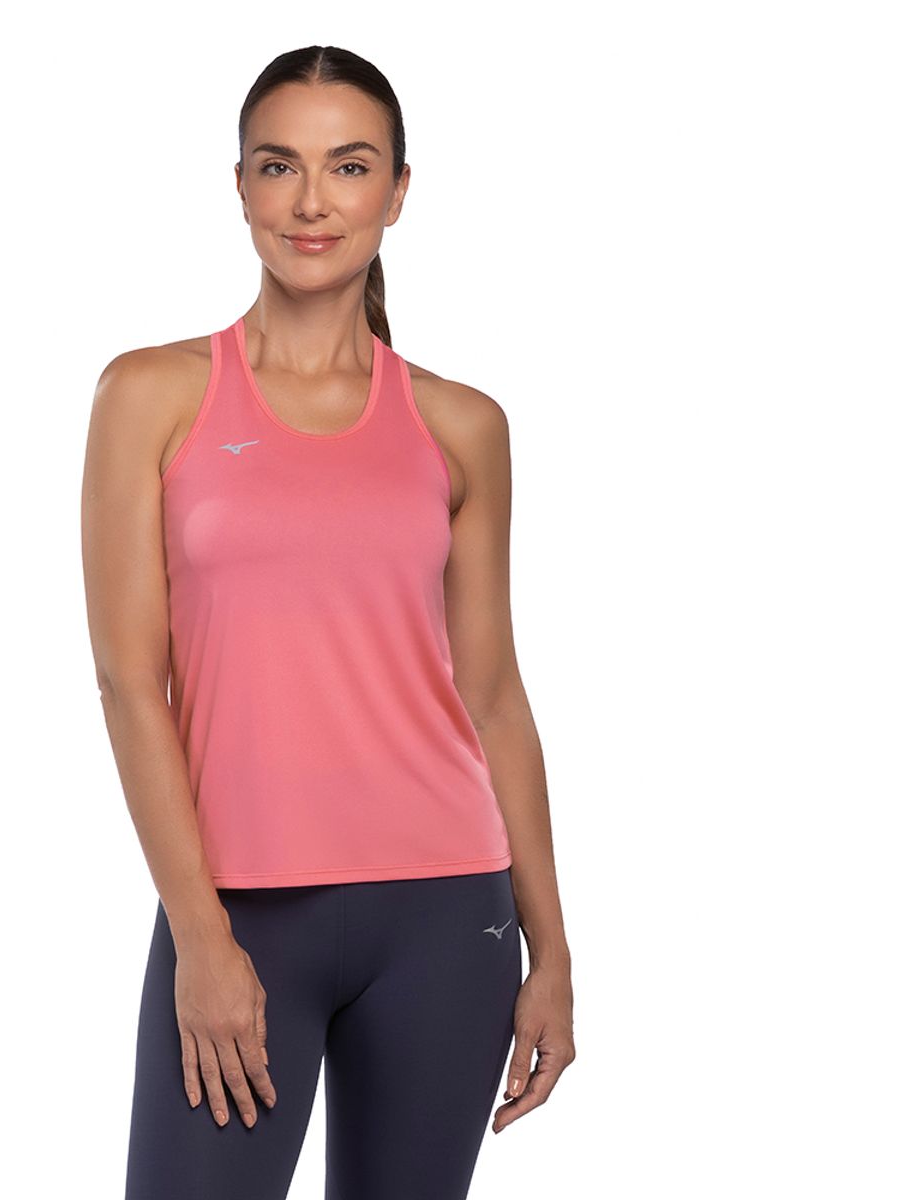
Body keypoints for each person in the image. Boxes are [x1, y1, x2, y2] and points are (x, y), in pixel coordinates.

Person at [81, 44, 575, 1200]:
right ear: (240, 186)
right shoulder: (150, 395)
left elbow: (492, 695)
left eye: (348, 167)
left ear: (397, 192)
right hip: (240, 914)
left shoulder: (462, 425)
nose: (312, 201)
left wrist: (552, 947)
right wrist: (200, 935)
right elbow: (128, 681)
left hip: (448, 918)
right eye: (279, 165)